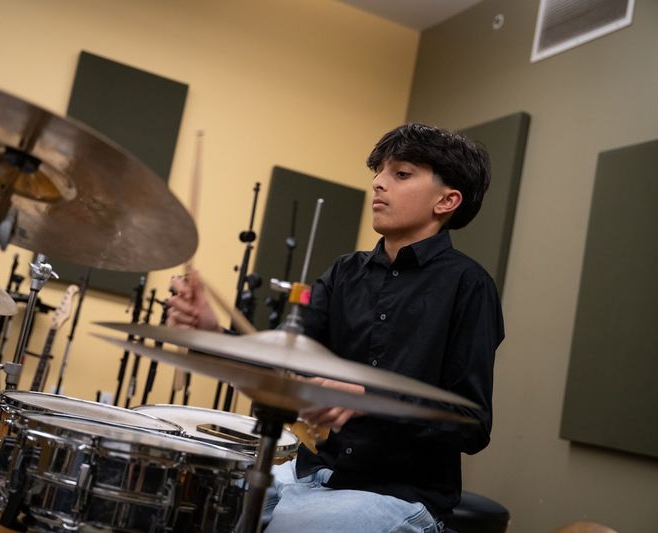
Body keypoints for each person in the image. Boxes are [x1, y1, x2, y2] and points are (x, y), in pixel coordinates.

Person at [167, 123, 504, 532]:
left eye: (401, 174)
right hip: (309, 474)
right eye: (378, 171)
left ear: (447, 200)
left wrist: (371, 398)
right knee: (196, 501)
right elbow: (284, 371)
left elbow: (472, 424)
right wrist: (212, 332)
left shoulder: (470, 286)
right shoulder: (345, 273)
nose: (378, 183)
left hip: (395, 494)